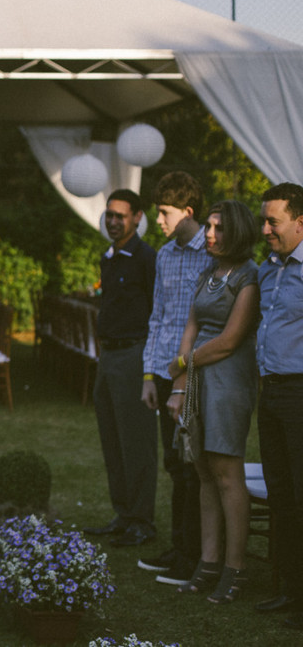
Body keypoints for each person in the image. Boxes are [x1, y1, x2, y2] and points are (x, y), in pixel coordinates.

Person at [165, 200, 260, 603]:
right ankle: (207, 564)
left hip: (228, 380)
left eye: (218, 228)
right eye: (208, 227)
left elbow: (229, 340)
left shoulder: (250, 276)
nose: (209, 234)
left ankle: (235, 571)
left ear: (236, 232)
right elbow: (192, 326)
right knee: (203, 471)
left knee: (226, 473)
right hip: (198, 377)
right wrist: (180, 383)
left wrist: (182, 363)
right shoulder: (209, 272)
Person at [137, 172, 210, 585]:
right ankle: (179, 546)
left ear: (188, 210)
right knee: (173, 462)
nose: (159, 220)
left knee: (191, 465)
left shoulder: (212, 253)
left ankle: (194, 554)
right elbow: (158, 318)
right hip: (165, 372)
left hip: (196, 372)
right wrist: (149, 375)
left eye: (165, 212)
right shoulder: (164, 255)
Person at [85, 189, 159, 547]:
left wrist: (150, 365)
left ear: (137, 218)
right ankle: (123, 514)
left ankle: (142, 521)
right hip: (109, 355)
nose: (113, 222)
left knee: (136, 441)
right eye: (109, 215)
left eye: (121, 216)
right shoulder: (109, 256)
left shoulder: (147, 258)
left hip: (134, 354)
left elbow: (157, 311)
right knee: (111, 437)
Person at [253, 182, 303, 629]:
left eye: (274, 222)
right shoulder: (266, 269)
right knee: (282, 495)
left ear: (300, 222)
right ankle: (290, 590)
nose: (266, 229)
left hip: (300, 394)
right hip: (270, 393)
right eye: (264, 221)